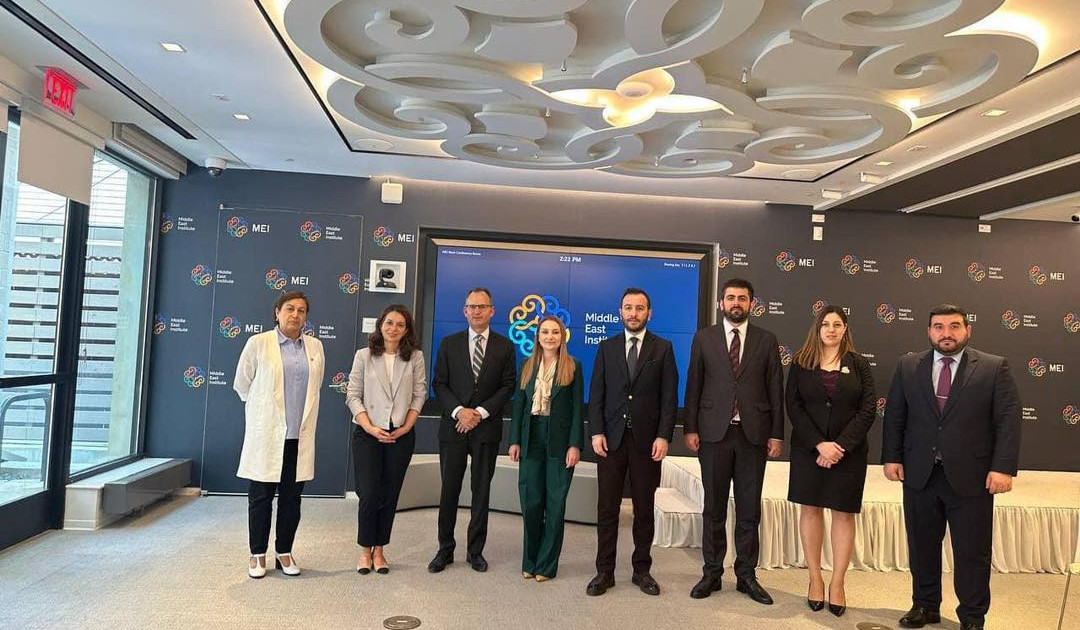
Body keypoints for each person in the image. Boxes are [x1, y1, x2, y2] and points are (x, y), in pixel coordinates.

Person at [883, 304, 1020, 630]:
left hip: (972, 477)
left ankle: (972, 617)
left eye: (954, 326)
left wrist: (1003, 468)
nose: (946, 333)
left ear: (967, 330)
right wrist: (892, 457)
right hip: (920, 473)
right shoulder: (908, 365)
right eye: (939, 327)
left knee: (972, 552)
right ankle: (924, 605)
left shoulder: (993, 367)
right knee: (921, 547)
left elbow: (1008, 421)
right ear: (929, 331)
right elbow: (895, 416)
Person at [683, 278, 783, 604]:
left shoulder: (767, 340)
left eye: (742, 298)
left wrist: (776, 433)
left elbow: (775, 390)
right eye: (730, 298)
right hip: (714, 435)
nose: (736, 303)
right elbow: (694, 385)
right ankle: (712, 572)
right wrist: (690, 428)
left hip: (754, 436)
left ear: (752, 303)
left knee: (749, 510)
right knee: (713, 508)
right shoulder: (704, 338)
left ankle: (746, 575)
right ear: (721, 303)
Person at [586, 288, 678, 597]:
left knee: (643, 509)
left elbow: (669, 398)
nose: (633, 313)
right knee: (607, 509)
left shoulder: (663, 348)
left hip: (647, 442)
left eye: (639, 308)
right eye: (628, 308)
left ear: (649, 313)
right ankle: (605, 571)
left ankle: (642, 570)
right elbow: (596, 394)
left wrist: (664, 435)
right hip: (610, 441)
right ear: (620, 312)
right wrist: (596, 432)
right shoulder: (606, 347)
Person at [786, 305, 875, 617]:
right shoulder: (801, 362)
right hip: (808, 451)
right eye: (826, 324)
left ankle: (837, 583)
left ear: (845, 329)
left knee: (843, 514)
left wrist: (839, 447)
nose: (831, 330)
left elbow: (868, 409)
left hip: (848, 454)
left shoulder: (859, 364)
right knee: (810, 510)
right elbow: (794, 407)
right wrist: (820, 445)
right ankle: (815, 579)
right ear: (818, 328)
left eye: (837, 324)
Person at [233, 291, 325, 578]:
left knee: (291, 499)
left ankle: (284, 551)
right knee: (260, 497)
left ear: (306, 317)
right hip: (268, 436)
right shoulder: (258, 343)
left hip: (299, 436)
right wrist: (263, 414)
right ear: (277, 312)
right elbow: (242, 384)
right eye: (289, 309)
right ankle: (257, 554)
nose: (295, 315)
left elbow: (316, 386)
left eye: (301, 310)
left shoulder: (315, 346)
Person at [429, 287, 517, 573]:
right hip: (453, 427)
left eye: (482, 306)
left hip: (486, 428)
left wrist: (479, 413)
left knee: (481, 492)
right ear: (464, 311)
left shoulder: (505, 346)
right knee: (449, 491)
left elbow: (508, 386)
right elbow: (439, 383)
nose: (477, 311)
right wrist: (460, 411)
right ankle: (445, 550)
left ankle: (475, 551)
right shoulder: (449, 343)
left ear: (492, 311)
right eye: (472, 306)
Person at [346, 305, 427, 574]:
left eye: (400, 325)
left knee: (389, 494)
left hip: (400, 434)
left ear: (407, 330)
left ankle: (379, 550)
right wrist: (370, 427)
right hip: (368, 433)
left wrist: (406, 427)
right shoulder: (364, 355)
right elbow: (353, 395)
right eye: (389, 323)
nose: (393, 328)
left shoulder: (415, 357)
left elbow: (419, 395)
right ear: (381, 325)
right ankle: (364, 549)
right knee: (369, 494)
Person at [508, 315, 584, 582]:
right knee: (531, 501)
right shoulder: (527, 365)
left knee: (555, 504)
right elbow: (519, 405)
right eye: (545, 332)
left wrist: (575, 445)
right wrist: (514, 440)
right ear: (537, 337)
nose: (550, 337)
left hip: (560, 442)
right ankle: (529, 562)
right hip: (531, 437)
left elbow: (577, 409)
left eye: (555, 332)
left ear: (562, 336)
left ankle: (546, 565)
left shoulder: (573, 366)